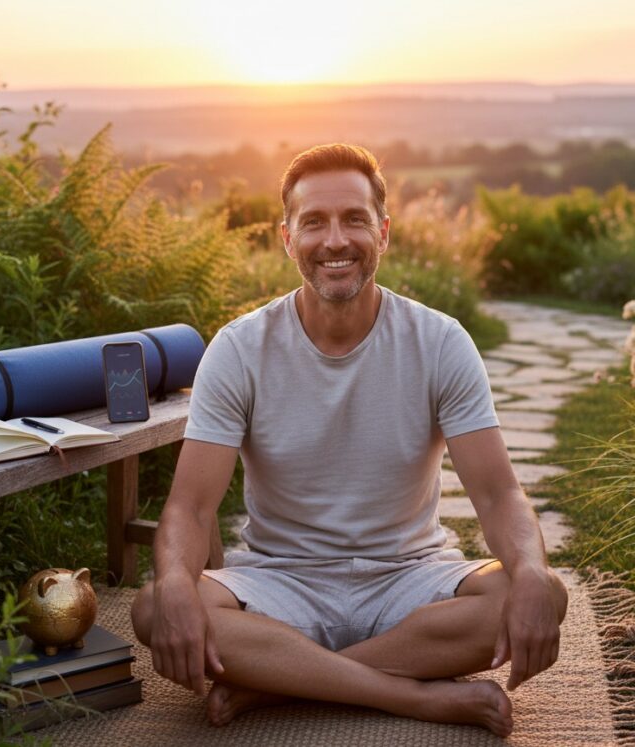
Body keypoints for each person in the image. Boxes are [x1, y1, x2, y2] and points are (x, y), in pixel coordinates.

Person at [131, 143, 567, 739]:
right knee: (157, 607)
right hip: (281, 581)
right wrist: (180, 584)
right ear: (287, 238)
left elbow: (497, 496)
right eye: (314, 222)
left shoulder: (440, 342)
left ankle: (277, 683)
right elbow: (189, 507)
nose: (335, 240)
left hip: (409, 577)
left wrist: (535, 571)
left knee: (535, 592)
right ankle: (410, 696)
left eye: (354, 219)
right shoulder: (238, 349)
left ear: (382, 232)